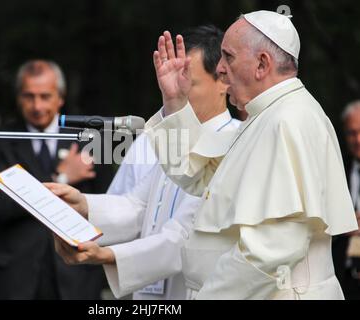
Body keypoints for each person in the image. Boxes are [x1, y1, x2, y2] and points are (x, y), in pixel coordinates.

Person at [143, 11, 357, 299]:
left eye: (228, 56)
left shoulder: (287, 120)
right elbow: (194, 173)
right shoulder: (265, 117)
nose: (219, 68)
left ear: (261, 64)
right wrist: (175, 101)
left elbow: (269, 252)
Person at [48, 25, 240, 300]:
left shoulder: (234, 143)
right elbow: (137, 205)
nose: (179, 94)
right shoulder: (169, 137)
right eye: (173, 86)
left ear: (223, 80)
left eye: (189, 85)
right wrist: (82, 205)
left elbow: (185, 236)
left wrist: (108, 255)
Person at [0, 60, 111, 299]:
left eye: (45, 96)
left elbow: (107, 204)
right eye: (29, 96)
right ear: (18, 98)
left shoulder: (90, 140)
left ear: (60, 97)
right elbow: (0, 207)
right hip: (17, 276)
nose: (37, 106)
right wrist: (61, 177)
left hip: (76, 275)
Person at [332, 101, 360, 299]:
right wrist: (344, 224)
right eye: (351, 133)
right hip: (344, 277)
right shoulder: (336, 169)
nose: (358, 139)